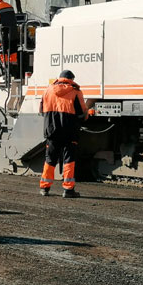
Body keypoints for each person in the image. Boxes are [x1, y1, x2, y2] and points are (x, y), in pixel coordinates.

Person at [39, 69, 89, 198]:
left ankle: (44, 188)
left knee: (50, 160)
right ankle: (68, 190)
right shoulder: (76, 91)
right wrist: (88, 114)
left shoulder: (47, 90)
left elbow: (41, 110)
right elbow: (82, 113)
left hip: (52, 131)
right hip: (69, 132)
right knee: (69, 160)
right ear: (71, 79)